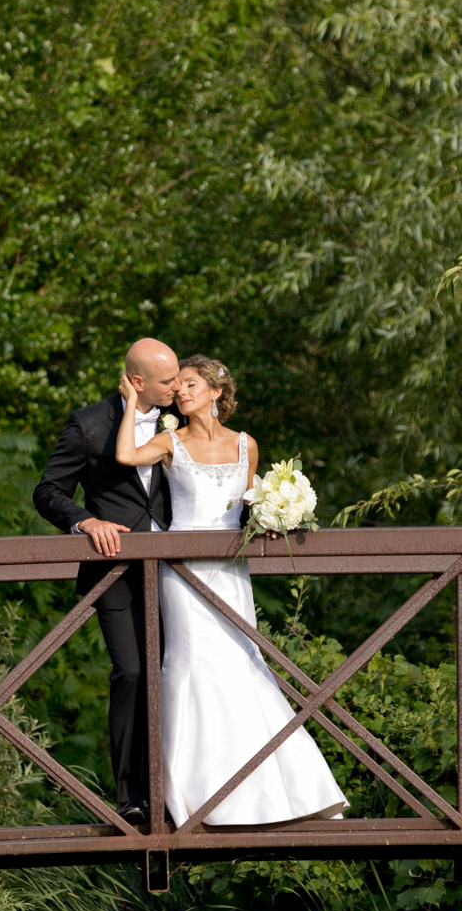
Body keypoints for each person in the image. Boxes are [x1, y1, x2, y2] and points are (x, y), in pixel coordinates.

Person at [116, 354, 349, 825]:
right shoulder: (170, 440)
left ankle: (275, 792)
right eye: (178, 386)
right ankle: (187, 796)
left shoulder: (247, 445)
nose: (182, 392)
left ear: (217, 392)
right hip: (181, 570)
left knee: (242, 661)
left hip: (230, 569)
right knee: (188, 663)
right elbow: (124, 456)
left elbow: (245, 507)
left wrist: (273, 518)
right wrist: (128, 403)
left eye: (191, 384)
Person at [32, 338, 243, 825]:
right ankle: (131, 797)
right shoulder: (89, 424)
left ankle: (176, 789)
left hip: (177, 574)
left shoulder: (183, 423)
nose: (178, 387)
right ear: (137, 381)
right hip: (116, 574)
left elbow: (217, 481)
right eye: (169, 381)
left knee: (180, 676)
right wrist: (86, 522)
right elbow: (47, 491)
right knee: (131, 672)